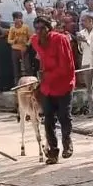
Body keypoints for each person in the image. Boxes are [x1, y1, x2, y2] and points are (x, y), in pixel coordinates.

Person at [30, 16, 76, 164]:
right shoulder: (35, 41)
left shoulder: (60, 40)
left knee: (64, 116)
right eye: (36, 29)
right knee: (48, 119)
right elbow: (40, 59)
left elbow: (67, 67)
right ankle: (52, 153)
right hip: (47, 87)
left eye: (42, 28)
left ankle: (67, 144)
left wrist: (48, 74)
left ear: (49, 28)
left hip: (63, 84)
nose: (39, 32)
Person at [75, 16, 93, 118]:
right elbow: (81, 50)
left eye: (84, 21)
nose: (82, 23)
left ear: (91, 21)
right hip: (86, 61)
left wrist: (86, 41)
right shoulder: (81, 33)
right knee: (89, 88)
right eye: (82, 21)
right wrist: (79, 42)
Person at [8, 11, 30, 83]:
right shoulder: (12, 29)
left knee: (27, 67)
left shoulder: (26, 27)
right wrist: (14, 40)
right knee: (16, 68)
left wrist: (27, 45)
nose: (18, 20)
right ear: (14, 19)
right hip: (15, 49)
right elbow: (9, 40)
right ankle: (17, 84)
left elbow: (31, 37)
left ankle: (29, 82)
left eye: (20, 18)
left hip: (24, 49)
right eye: (16, 18)